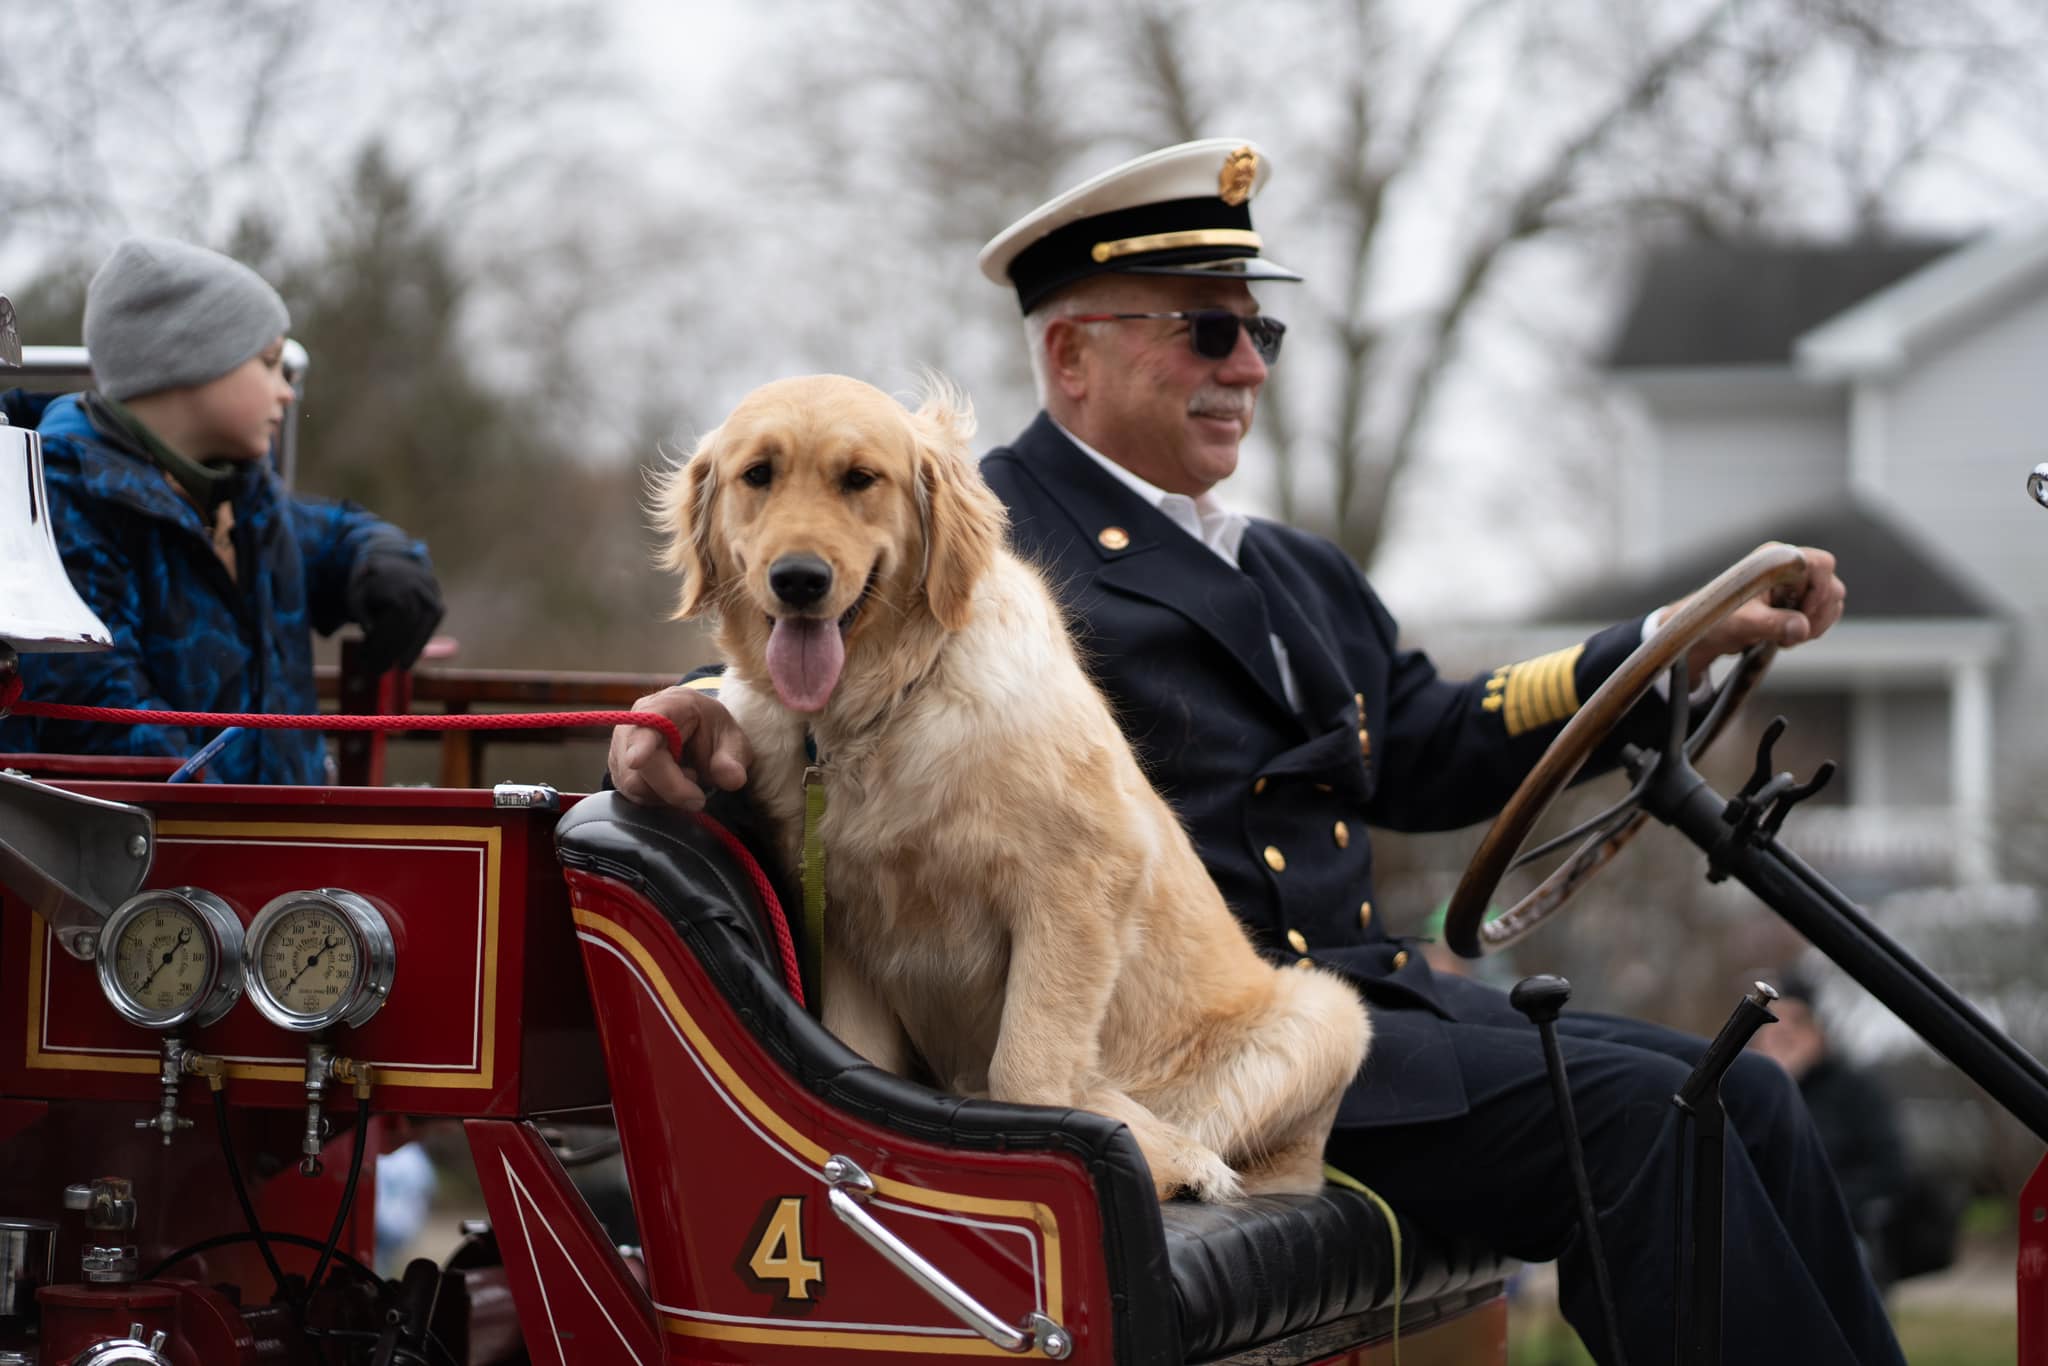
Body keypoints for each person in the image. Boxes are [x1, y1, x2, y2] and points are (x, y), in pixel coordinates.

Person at [608, 141, 1898, 1364]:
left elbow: (1432, 747)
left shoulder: (1289, 566)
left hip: (1359, 1009)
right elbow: (804, 640)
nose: (1248, 367)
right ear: (1069, 356)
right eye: (1206, 330)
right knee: (1647, 1126)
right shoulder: (977, 538)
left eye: (1259, 333)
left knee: (1744, 1095)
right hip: (1199, 1043)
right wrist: (685, 716)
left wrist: (1653, 648)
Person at [0, 237, 443, 783]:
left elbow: (325, 533)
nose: (287, 392)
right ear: (189, 363)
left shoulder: (241, 495)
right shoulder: (62, 510)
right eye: (270, 363)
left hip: (281, 842)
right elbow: (105, 718)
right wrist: (238, 820)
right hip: (172, 850)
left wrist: (382, 560)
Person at [1752, 973, 1944, 1292]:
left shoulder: (1854, 1090)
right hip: (1757, 1228)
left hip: (1837, 1229)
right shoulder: (1743, 1089)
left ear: (1818, 1030)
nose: (1782, 1033)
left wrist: (1819, 1203)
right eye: (1772, 1024)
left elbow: (1891, 1168)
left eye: (1796, 1023)